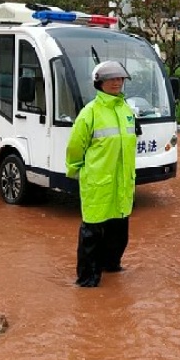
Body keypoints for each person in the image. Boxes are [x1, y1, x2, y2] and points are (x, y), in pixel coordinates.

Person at [66, 60, 137, 287]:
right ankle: (87, 279)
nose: (117, 83)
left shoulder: (126, 110)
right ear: (100, 83)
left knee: (119, 232)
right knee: (92, 234)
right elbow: (75, 147)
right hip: (98, 182)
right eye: (111, 79)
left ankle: (111, 266)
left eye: (120, 79)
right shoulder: (90, 113)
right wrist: (76, 170)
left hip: (122, 183)